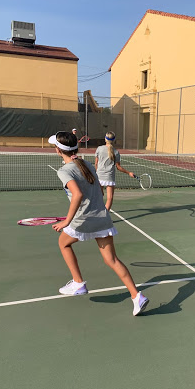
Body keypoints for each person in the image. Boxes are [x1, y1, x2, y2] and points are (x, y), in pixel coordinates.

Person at [48, 131, 149, 316]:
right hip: (102, 218)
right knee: (112, 260)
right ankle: (137, 297)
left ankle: (78, 283)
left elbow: (77, 195)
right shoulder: (86, 164)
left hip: (83, 220)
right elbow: (99, 191)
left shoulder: (64, 171)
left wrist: (66, 221)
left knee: (63, 243)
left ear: (57, 150)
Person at [95, 131, 135, 210]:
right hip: (109, 177)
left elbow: (96, 164)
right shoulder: (116, 152)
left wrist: (96, 174)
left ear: (105, 139)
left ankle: (98, 212)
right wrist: (129, 173)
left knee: (98, 196)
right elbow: (118, 167)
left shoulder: (99, 149)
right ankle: (105, 215)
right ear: (114, 140)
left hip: (99, 176)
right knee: (109, 198)